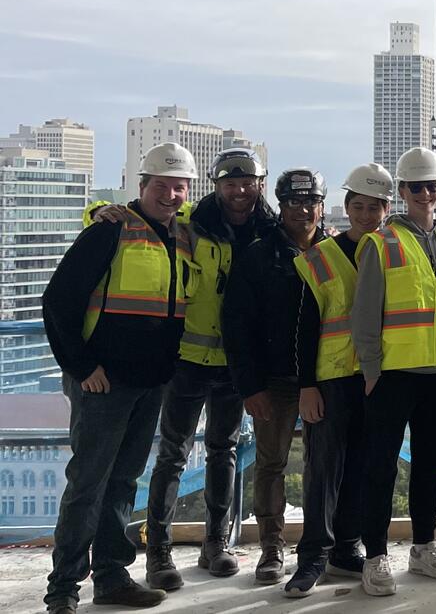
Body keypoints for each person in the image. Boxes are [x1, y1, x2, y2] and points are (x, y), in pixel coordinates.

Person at [41, 143, 198, 614]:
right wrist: (83, 367)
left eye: (179, 186)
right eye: (162, 185)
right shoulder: (109, 231)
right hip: (103, 383)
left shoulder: (183, 236)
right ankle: (63, 589)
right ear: (142, 185)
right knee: (89, 482)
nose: (170, 194)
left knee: (124, 481)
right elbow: (58, 302)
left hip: (151, 382)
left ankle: (111, 577)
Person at [137, 147, 275, 589]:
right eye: (230, 183)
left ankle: (216, 543)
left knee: (224, 451)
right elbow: (140, 222)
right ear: (216, 186)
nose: (239, 191)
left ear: (259, 184)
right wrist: (102, 211)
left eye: (247, 182)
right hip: (188, 361)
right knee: (174, 454)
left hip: (235, 365)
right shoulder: (192, 225)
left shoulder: (268, 230)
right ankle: (158, 550)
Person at [351, 147, 436, 596]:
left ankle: (423, 547)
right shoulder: (380, 244)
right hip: (393, 374)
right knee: (380, 466)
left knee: (431, 465)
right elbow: (365, 314)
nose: (425, 193)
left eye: (432, 186)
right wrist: (371, 370)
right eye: (416, 187)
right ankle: (376, 556)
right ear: (401, 192)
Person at [283, 164, 393, 597]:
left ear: (387, 209)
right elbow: (306, 326)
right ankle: (312, 557)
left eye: (375, 207)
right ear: (346, 207)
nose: (367, 215)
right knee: (322, 471)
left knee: (363, 468)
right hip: (331, 380)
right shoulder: (321, 258)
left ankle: (346, 548)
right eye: (359, 206)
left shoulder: (393, 252)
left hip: (377, 377)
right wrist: (306, 385)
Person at [221, 168, 330, 585]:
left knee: (325, 464)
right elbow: (237, 326)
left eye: (310, 202)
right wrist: (250, 386)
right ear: (280, 206)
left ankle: (322, 542)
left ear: (321, 205)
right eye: (293, 203)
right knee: (270, 464)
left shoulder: (334, 252)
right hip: (274, 380)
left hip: (324, 379)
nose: (303, 210)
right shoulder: (258, 255)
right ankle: (271, 546)